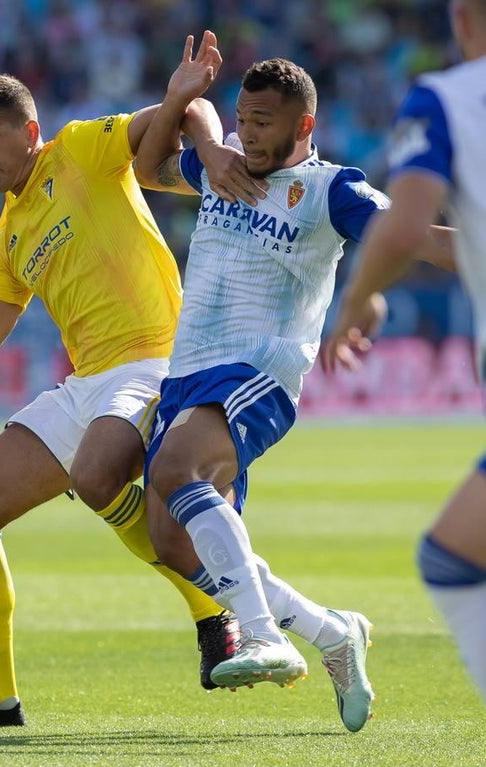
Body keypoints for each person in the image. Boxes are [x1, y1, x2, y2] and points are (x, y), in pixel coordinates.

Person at [0, 49, 262, 727]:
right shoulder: (4, 241)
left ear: (30, 131)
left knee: (97, 475)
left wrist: (212, 148)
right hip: (89, 383)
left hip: (157, 360)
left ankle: (209, 604)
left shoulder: (78, 151)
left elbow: (186, 109)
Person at [134, 35, 455, 732]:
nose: (248, 135)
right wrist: (186, 105)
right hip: (189, 371)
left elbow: (414, 235)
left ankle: (263, 634)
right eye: (243, 122)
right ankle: (333, 631)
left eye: (264, 125)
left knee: (175, 466)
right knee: (172, 540)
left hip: (258, 370)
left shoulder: (330, 189)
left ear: (303, 125)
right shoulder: (221, 168)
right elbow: (148, 163)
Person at [323, 0, 486, 705]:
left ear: (461, 19)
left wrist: (357, 300)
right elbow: (442, 239)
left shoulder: (449, 99)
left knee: (451, 559)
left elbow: (403, 227)